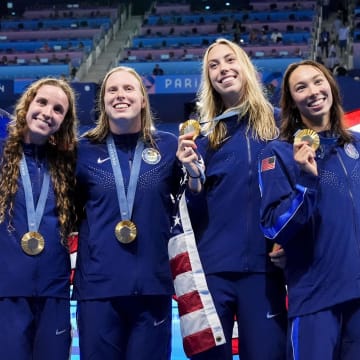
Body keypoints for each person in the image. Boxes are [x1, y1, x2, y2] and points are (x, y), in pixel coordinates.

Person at [176, 38, 287, 359]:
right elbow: (194, 212)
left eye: (229, 60)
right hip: (214, 271)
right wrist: (194, 180)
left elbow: (299, 191)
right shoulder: (205, 135)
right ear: (208, 79)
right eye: (214, 65)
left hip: (265, 270)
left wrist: (291, 241)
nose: (223, 69)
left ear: (246, 67)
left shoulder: (281, 124)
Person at [73, 66, 183, 359]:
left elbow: (189, 204)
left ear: (143, 100)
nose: (120, 95)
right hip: (98, 289)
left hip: (152, 285)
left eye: (128, 89)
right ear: (103, 101)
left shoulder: (169, 147)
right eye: (112, 90)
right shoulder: (80, 150)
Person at [259, 59, 360, 359]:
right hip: (316, 296)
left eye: (318, 81)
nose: (313, 91)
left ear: (331, 86)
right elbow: (273, 226)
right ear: (291, 102)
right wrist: (306, 181)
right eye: (301, 87)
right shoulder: (278, 152)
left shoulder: (356, 145)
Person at [0, 78, 78, 359]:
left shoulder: (68, 166)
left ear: (64, 121)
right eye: (42, 102)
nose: (48, 112)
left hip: (53, 292)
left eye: (58, 109)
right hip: (6, 292)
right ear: (27, 105)